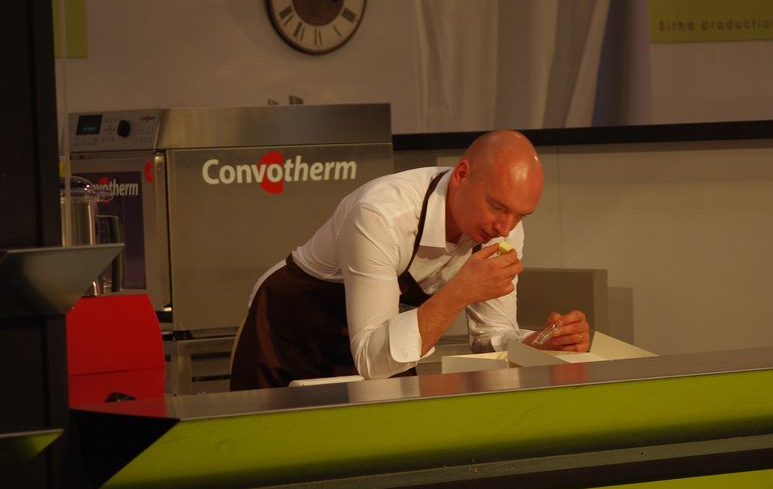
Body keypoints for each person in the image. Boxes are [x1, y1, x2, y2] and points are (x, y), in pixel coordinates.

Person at [229, 129, 590, 390]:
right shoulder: (382, 214)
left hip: (377, 346)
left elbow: (489, 337)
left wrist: (538, 344)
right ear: (462, 175)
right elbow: (371, 359)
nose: (506, 227)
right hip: (290, 331)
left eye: (521, 215)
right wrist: (459, 292)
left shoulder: (503, 228)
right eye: (497, 207)